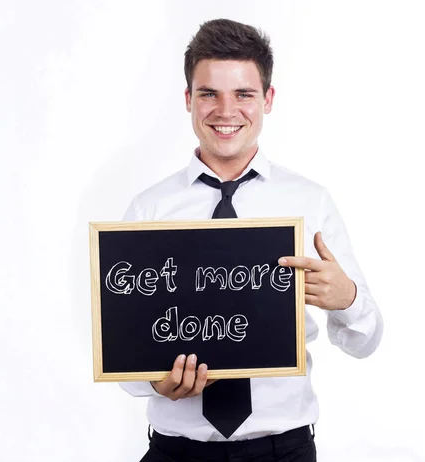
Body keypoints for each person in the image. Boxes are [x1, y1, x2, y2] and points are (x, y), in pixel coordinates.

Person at [119, 18, 384, 462]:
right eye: (209, 94)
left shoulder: (310, 202)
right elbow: (122, 352)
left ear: (268, 99)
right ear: (188, 100)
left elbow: (366, 340)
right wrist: (153, 382)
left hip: (285, 451)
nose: (226, 111)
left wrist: (348, 298)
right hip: (176, 454)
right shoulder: (149, 210)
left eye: (243, 94)